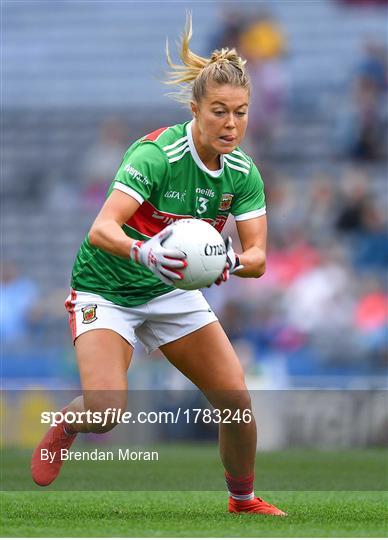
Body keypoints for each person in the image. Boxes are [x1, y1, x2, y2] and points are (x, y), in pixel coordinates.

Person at [31, 15, 286, 517]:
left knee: (236, 399)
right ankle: (66, 424)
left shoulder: (242, 172)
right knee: (106, 413)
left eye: (241, 112)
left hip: (171, 292)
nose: (231, 124)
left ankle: (242, 500)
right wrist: (145, 251)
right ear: (195, 109)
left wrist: (229, 260)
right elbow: (101, 230)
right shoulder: (156, 155)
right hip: (108, 288)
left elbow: (257, 257)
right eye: (219, 112)